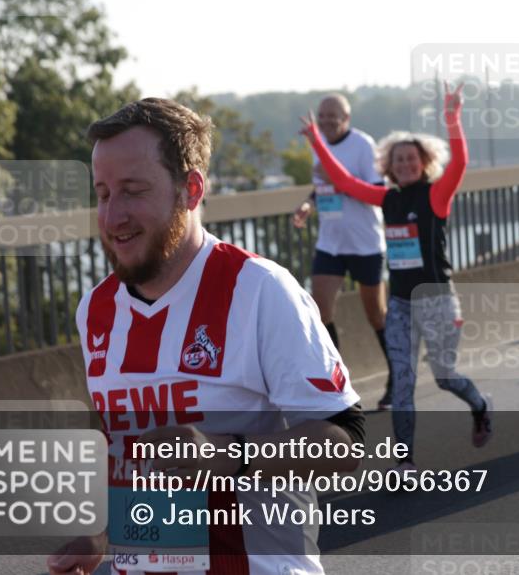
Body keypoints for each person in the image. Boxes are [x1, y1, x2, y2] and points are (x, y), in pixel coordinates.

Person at [48, 98, 363, 575]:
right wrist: (99, 529)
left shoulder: (260, 290)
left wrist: (227, 455)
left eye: (133, 191)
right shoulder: (95, 308)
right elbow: (114, 434)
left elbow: (346, 441)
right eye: (103, 194)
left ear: (190, 190)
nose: (113, 218)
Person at [300, 82, 491, 474]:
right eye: (398, 159)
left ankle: (480, 405)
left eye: (412, 159)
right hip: (402, 303)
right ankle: (404, 463)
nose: (405, 164)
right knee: (403, 385)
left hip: (437, 300)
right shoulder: (387, 198)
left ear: (423, 163)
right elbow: (345, 182)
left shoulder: (436, 196)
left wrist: (452, 120)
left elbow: (460, 165)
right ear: (389, 165)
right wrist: (318, 141)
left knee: (444, 377)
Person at [292, 94, 393, 409]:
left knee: (375, 315)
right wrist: (308, 204)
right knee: (320, 312)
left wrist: (337, 182)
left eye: (333, 116)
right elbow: (319, 186)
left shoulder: (363, 145)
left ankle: (398, 376)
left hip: (364, 242)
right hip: (330, 242)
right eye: (322, 115)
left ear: (346, 119)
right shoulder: (318, 145)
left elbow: (377, 193)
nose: (326, 121)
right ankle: (338, 384)